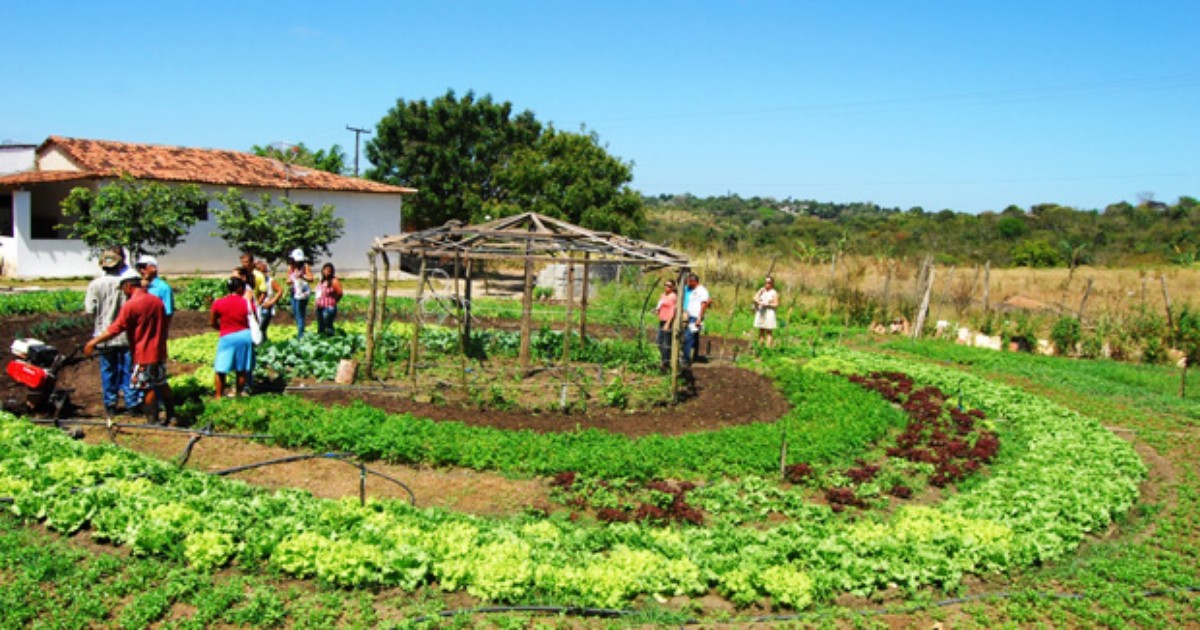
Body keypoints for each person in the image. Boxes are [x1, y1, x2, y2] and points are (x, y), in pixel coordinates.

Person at [83, 269, 175, 425]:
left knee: (147, 387)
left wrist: (93, 342)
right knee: (162, 383)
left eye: (123, 289)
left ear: (127, 286)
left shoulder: (131, 305)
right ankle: (172, 416)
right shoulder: (156, 301)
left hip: (144, 352)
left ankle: (153, 420)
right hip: (159, 350)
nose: (123, 293)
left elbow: (115, 329)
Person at [84, 246, 140, 417]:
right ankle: (131, 403)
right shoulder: (127, 284)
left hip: (103, 336)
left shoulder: (94, 285)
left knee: (108, 371)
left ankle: (110, 404)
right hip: (125, 335)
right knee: (128, 370)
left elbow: (90, 310)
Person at [210, 275, 256, 398]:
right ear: (240, 288)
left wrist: (222, 328)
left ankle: (219, 396)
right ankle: (239, 395)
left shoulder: (219, 303)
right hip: (244, 336)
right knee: (241, 369)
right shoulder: (246, 303)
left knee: (221, 368)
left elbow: (212, 322)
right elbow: (254, 318)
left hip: (227, 336)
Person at [681, 273, 712, 368]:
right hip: (687, 315)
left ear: (695, 281)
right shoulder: (688, 289)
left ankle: (686, 359)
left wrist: (699, 317)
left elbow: (704, 304)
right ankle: (694, 356)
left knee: (688, 337)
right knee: (693, 337)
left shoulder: (702, 291)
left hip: (695, 316)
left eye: (690, 281)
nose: (688, 283)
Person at [136, 255, 174, 319]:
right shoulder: (137, 286)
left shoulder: (164, 288)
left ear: (154, 268)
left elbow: (168, 313)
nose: (141, 271)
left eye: (144, 267)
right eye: (139, 268)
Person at [287, 249, 314, 338]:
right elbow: (288, 280)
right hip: (294, 292)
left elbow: (311, 279)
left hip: (302, 293)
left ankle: (301, 335)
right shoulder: (291, 267)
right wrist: (290, 280)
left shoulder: (305, 266)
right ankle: (300, 331)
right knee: (295, 313)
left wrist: (303, 276)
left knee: (300, 314)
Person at [653, 279, 678, 370]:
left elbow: (672, 310)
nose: (667, 287)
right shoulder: (663, 295)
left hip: (668, 321)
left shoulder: (673, 296)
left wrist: (668, 323)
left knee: (666, 342)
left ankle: (666, 362)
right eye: (666, 285)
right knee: (659, 341)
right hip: (662, 320)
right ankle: (664, 359)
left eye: (669, 286)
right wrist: (657, 310)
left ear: (673, 287)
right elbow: (660, 304)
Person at [255, 259, 283, 339]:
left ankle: (262, 345)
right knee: (259, 329)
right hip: (256, 306)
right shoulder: (254, 280)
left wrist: (272, 301)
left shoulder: (270, 281)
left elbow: (280, 290)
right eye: (261, 271)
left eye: (265, 271)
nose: (263, 274)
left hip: (266, 307)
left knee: (261, 328)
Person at [314, 262, 344, 336]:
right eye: (325, 270)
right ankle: (321, 341)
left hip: (329, 308)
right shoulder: (321, 281)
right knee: (320, 326)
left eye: (329, 270)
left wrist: (334, 301)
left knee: (328, 326)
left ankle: (331, 340)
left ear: (332, 272)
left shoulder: (334, 281)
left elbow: (340, 293)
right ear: (323, 271)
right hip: (319, 307)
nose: (327, 272)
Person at [752, 276, 779, 348]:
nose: (767, 284)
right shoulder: (762, 291)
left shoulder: (774, 292)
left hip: (769, 312)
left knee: (769, 331)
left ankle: (767, 348)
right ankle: (760, 347)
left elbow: (776, 304)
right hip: (761, 312)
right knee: (761, 330)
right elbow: (754, 298)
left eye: (769, 283)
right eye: (766, 282)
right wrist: (759, 292)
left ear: (772, 284)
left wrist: (768, 304)